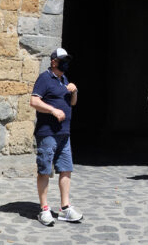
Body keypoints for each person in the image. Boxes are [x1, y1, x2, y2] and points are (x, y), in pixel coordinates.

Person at [30, 48, 83, 226]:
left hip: (64, 134)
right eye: (63, 60)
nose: (65, 63)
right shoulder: (45, 78)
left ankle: (65, 208)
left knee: (66, 169)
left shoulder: (64, 80)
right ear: (54, 61)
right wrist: (53, 110)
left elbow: (72, 103)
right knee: (45, 169)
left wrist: (74, 91)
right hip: (48, 133)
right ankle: (44, 209)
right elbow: (34, 101)